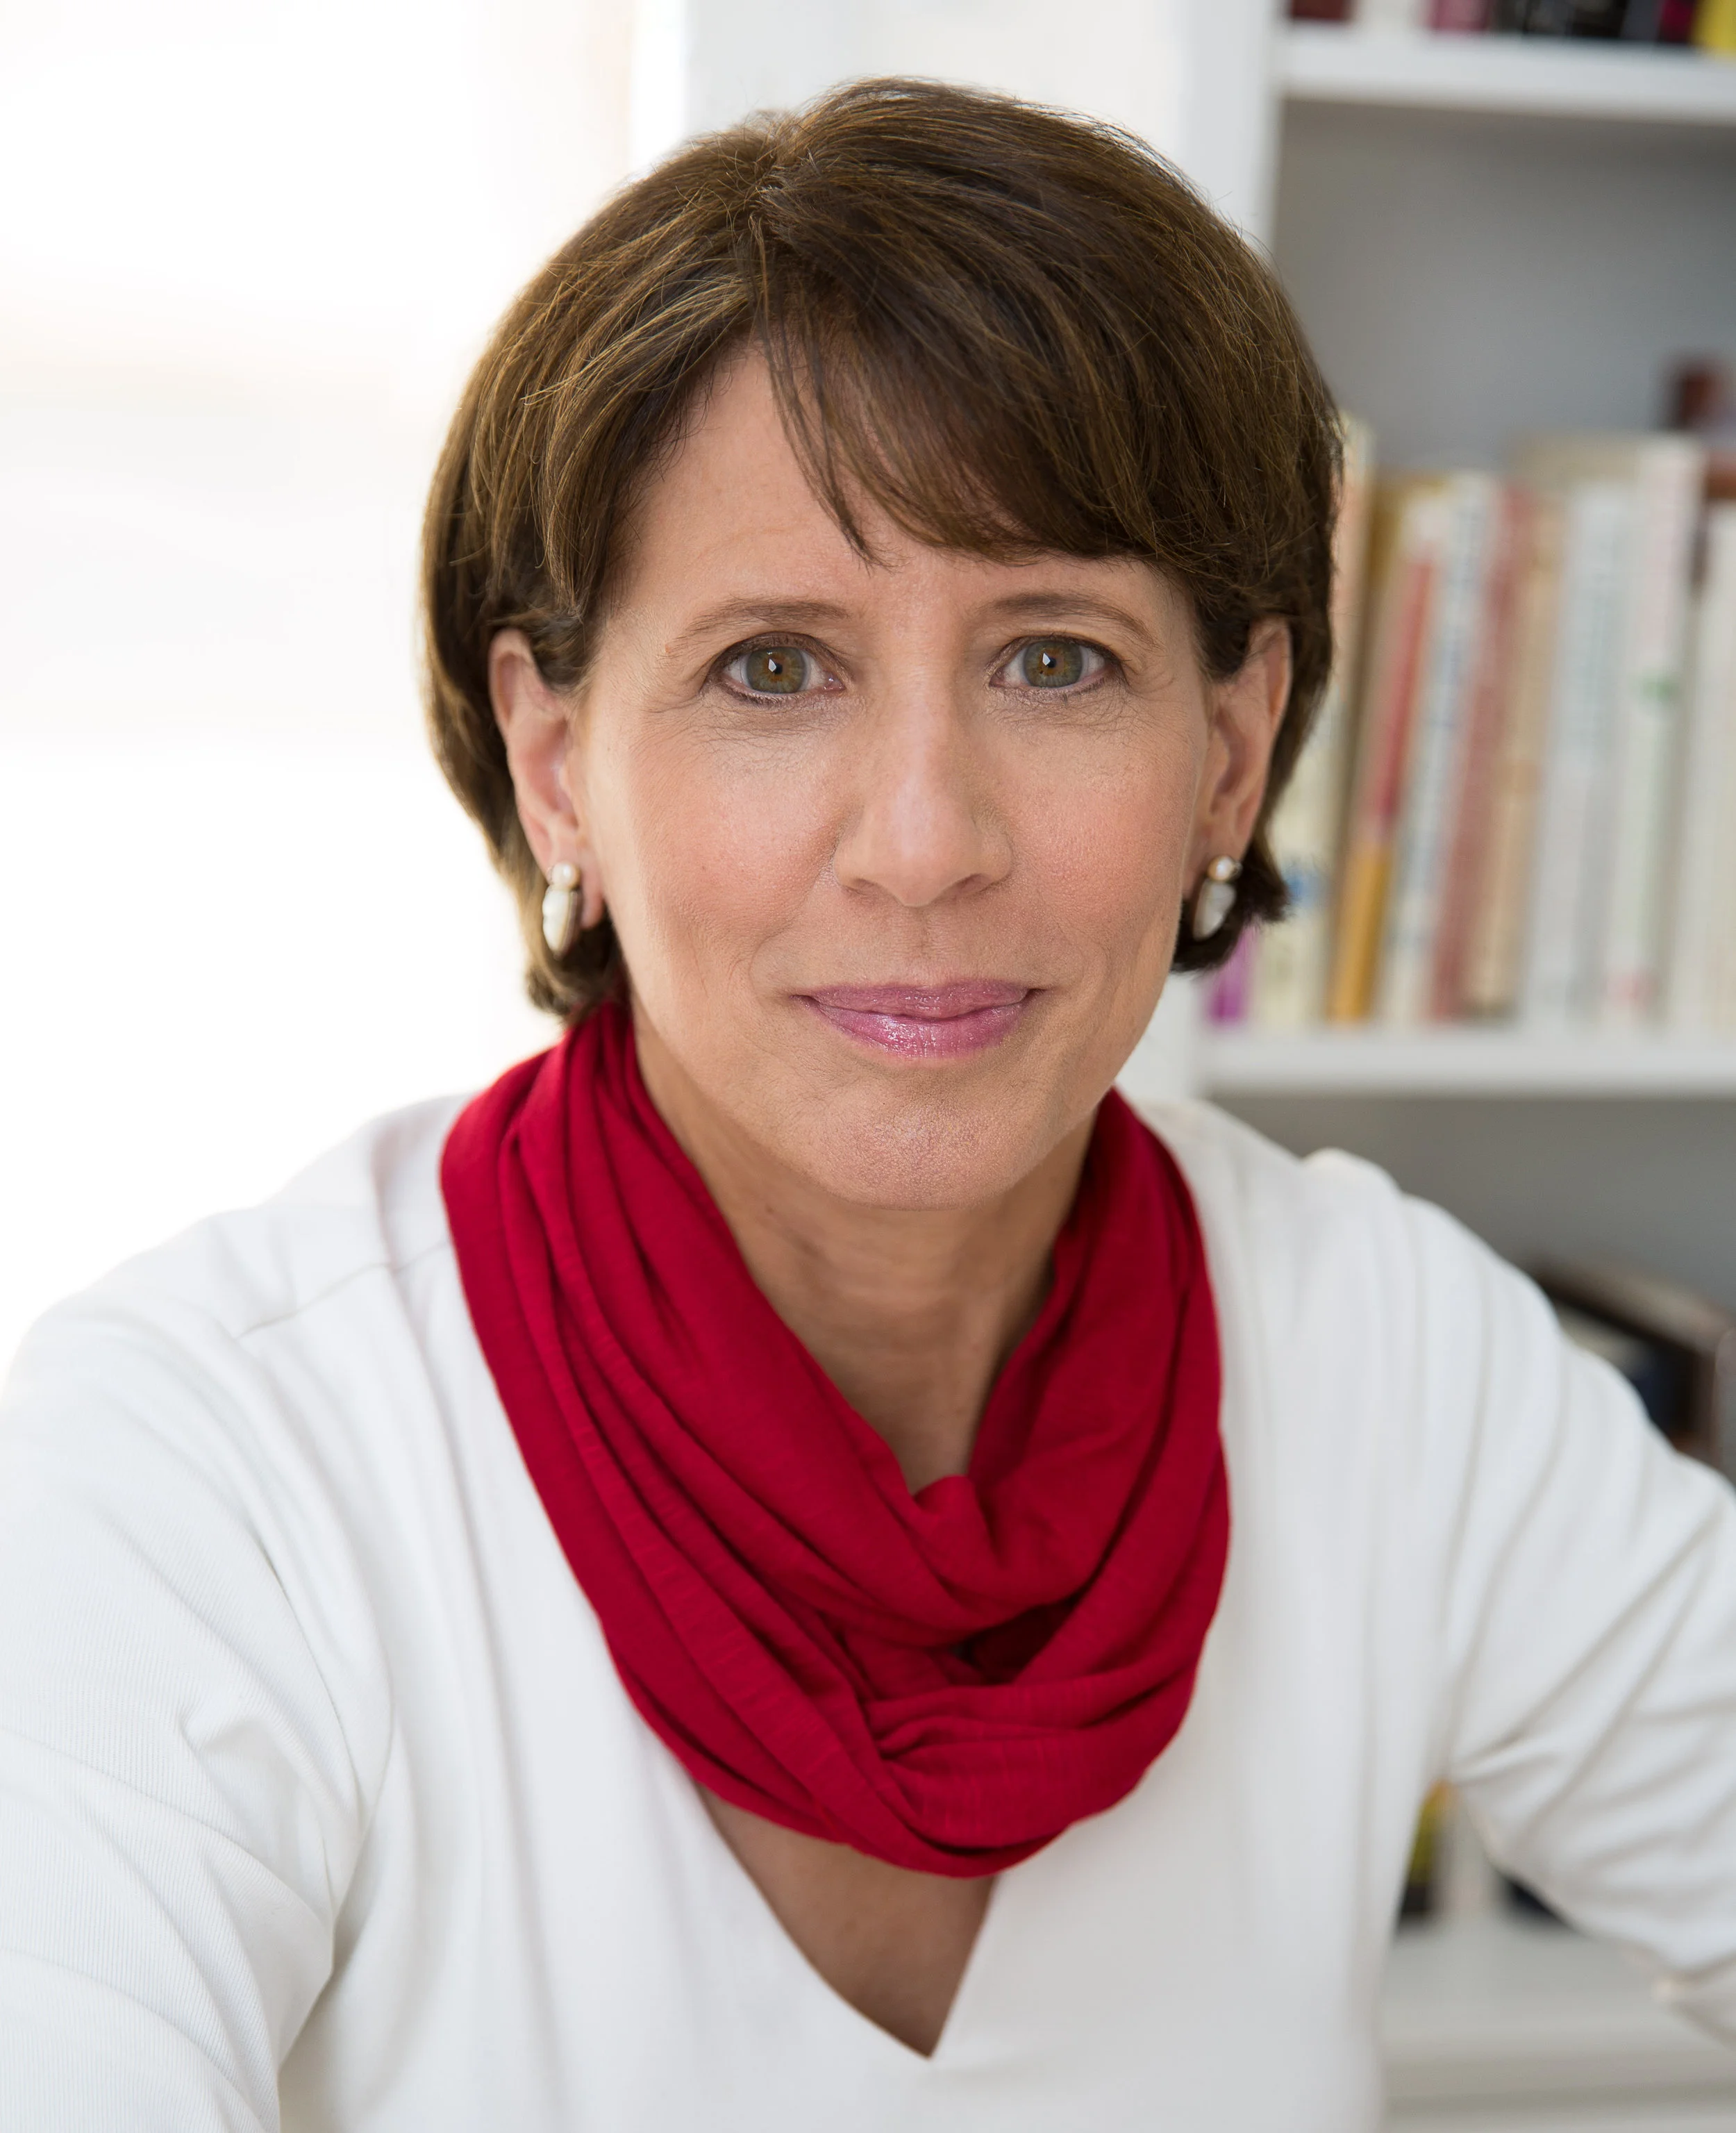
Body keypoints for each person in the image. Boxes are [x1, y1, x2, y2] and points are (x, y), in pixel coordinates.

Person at [1, 76, 1733, 2133]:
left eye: (1056, 661)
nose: (923, 843)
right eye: (772, 668)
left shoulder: (1392, 1354)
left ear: (1229, 751)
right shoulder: (205, 1454)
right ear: (557, 762)